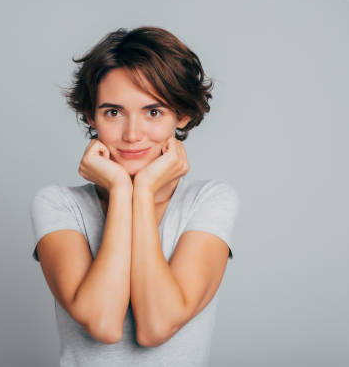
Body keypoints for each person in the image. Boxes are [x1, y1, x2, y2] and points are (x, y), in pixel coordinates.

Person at [29, 26, 240, 367]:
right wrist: (121, 189)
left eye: (153, 112)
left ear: (182, 115)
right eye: (113, 112)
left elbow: (156, 327)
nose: (131, 134)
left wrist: (140, 192)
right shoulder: (58, 205)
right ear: (91, 116)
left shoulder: (210, 200)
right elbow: (103, 324)